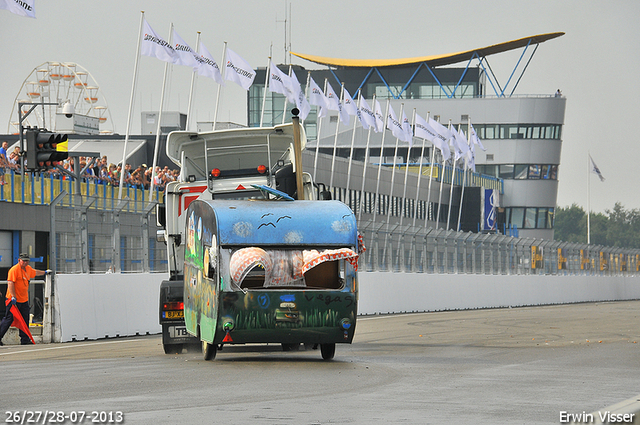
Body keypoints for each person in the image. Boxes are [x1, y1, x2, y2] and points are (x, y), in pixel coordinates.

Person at [0, 253, 48, 345]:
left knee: (24, 320)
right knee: (8, 319)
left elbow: (35, 272)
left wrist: (45, 272)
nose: (25, 262)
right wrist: (13, 296)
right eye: (24, 261)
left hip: (23, 299)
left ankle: (25, 339)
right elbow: (10, 283)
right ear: (19, 260)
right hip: (13, 300)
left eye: (27, 261)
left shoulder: (28, 269)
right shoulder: (14, 270)